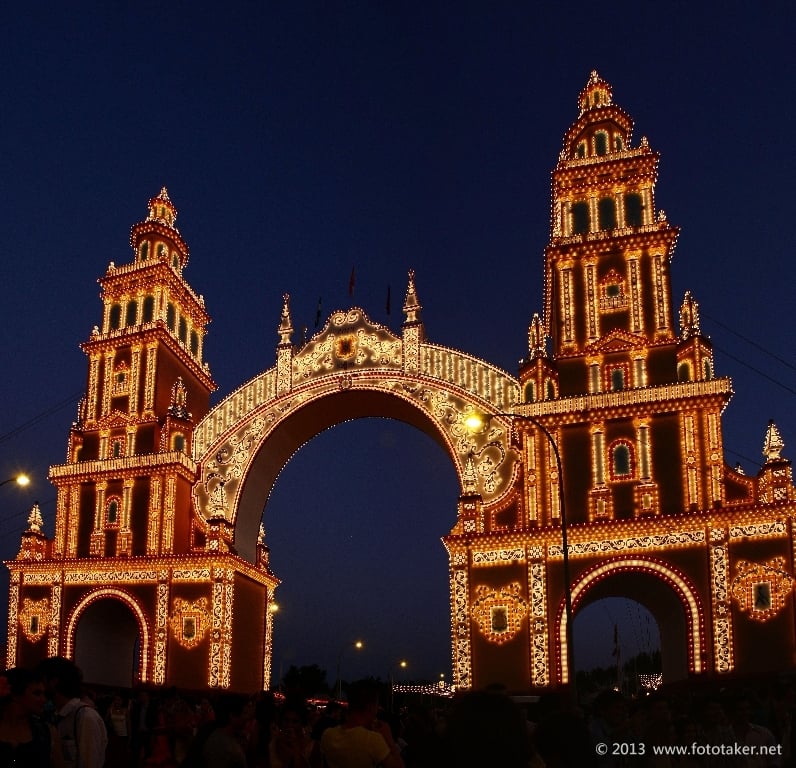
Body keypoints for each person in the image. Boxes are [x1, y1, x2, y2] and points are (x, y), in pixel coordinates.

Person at [37, 657, 107, 768]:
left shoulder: (85, 716)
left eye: (41, 681)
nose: (39, 686)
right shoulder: (54, 714)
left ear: (54, 682)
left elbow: (90, 762)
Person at [320, 680, 404, 768]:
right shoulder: (372, 739)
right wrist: (390, 740)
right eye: (377, 705)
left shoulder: (327, 735)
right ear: (371, 707)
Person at [0, 667, 64, 767]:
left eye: (44, 694)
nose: (43, 700)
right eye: (37, 694)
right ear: (15, 695)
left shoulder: (47, 732)